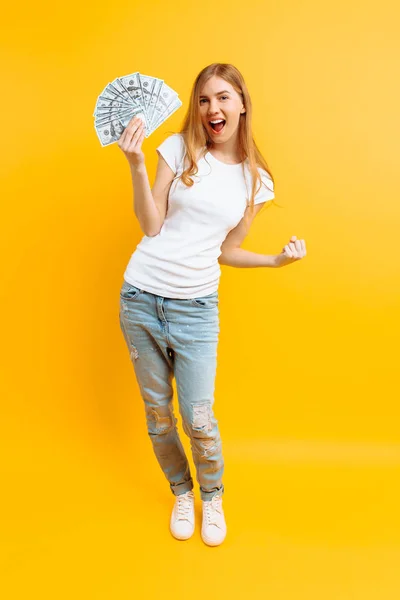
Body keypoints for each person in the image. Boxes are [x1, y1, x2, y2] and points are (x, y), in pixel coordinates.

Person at [117, 62, 306, 547]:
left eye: (222, 97)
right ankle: (182, 492)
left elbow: (227, 250)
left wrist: (273, 261)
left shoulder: (256, 181)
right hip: (140, 296)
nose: (211, 109)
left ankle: (213, 496)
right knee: (158, 415)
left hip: (195, 309)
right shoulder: (178, 149)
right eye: (203, 100)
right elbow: (151, 225)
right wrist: (137, 165)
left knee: (198, 415)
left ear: (242, 103)